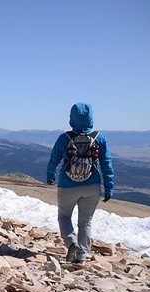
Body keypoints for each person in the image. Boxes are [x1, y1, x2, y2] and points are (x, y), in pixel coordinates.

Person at [46, 103, 115, 263]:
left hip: (67, 185)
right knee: (85, 222)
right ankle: (81, 256)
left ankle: (71, 242)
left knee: (64, 217)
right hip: (92, 186)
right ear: (91, 117)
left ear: (72, 118)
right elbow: (107, 163)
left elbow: (54, 158)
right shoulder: (100, 138)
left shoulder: (65, 138)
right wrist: (109, 187)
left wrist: (50, 175)